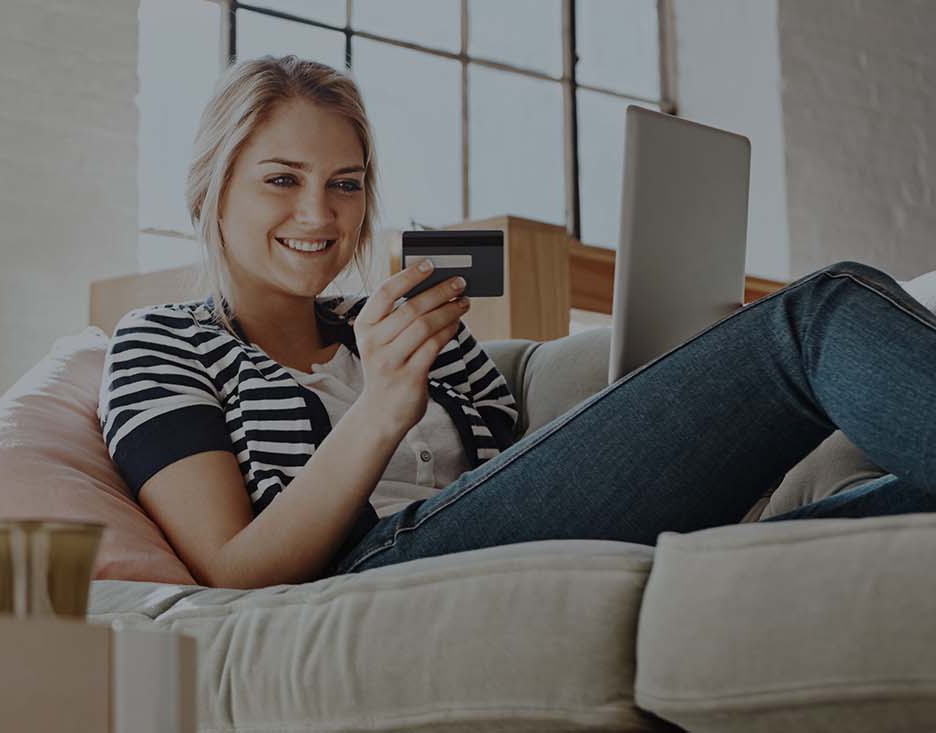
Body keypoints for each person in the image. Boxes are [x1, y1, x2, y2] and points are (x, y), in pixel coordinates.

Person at [100, 55, 936, 590]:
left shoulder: (409, 320)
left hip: (506, 534)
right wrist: (382, 404)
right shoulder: (162, 342)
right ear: (212, 188)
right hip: (377, 566)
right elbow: (233, 569)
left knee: (912, 506)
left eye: (346, 183)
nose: (320, 212)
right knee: (825, 310)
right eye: (281, 179)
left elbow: (517, 482)